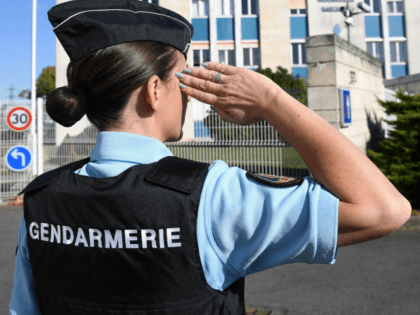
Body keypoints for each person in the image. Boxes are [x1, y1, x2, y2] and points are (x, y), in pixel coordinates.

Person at [9, 0, 412, 314]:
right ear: (154, 91)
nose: (188, 91)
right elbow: (384, 210)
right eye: (182, 77)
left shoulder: (42, 198)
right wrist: (272, 101)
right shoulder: (211, 197)